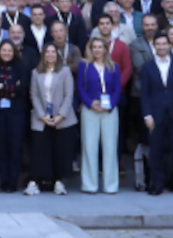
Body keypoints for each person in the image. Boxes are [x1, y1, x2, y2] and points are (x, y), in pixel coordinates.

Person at [140, 33, 173, 195]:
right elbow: (144, 94)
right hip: (156, 115)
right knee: (156, 151)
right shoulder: (147, 67)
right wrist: (147, 115)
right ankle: (157, 184)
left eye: (164, 44)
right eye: (158, 44)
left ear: (169, 45)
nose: (161, 47)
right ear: (154, 47)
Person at [27, 42, 76, 196]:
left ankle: (59, 182)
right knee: (40, 150)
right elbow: (33, 95)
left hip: (62, 118)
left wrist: (60, 116)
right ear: (43, 55)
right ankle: (35, 182)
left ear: (57, 55)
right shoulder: (36, 72)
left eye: (53, 52)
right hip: (41, 118)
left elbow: (69, 95)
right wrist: (42, 116)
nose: (50, 55)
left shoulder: (65, 71)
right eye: (47, 52)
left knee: (61, 150)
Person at [77, 37, 121, 194]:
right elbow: (80, 87)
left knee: (110, 147)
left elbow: (117, 89)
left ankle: (111, 185)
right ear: (90, 49)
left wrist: (109, 105)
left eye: (100, 47)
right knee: (89, 146)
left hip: (109, 109)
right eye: (94, 47)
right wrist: (90, 104)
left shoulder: (114, 67)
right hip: (90, 108)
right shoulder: (85, 66)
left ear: (105, 49)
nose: (97, 50)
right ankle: (90, 185)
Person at [0, 40, 29, 193]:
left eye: (9, 50)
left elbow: (23, 87)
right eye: (4, 50)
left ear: (14, 52)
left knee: (15, 147)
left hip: (17, 113)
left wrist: (2, 86)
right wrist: (12, 88)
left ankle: (13, 182)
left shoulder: (22, 66)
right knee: (1, 147)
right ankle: (3, 181)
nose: (6, 53)